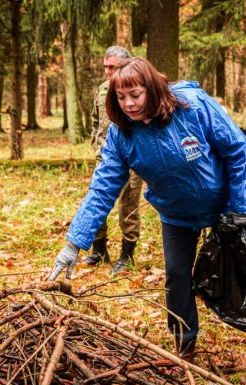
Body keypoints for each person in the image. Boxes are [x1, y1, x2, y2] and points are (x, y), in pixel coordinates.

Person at [49, 57, 246, 358]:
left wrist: (241, 209)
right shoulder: (121, 133)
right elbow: (103, 188)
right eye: (121, 97)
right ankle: (185, 342)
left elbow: (238, 150)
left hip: (224, 205)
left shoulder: (192, 106)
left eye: (135, 95)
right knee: (177, 276)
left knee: (237, 268)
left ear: (152, 88)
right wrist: (74, 242)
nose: (128, 104)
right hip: (176, 213)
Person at [83, 45, 144, 274]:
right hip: (103, 158)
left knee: (128, 207)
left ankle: (127, 255)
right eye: (106, 67)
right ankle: (99, 251)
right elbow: (95, 122)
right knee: (97, 201)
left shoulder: (135, 92)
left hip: (130, 160)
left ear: (126, 66)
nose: (108, 71)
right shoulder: (102, 90)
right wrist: (95, 146)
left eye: (112, 67)